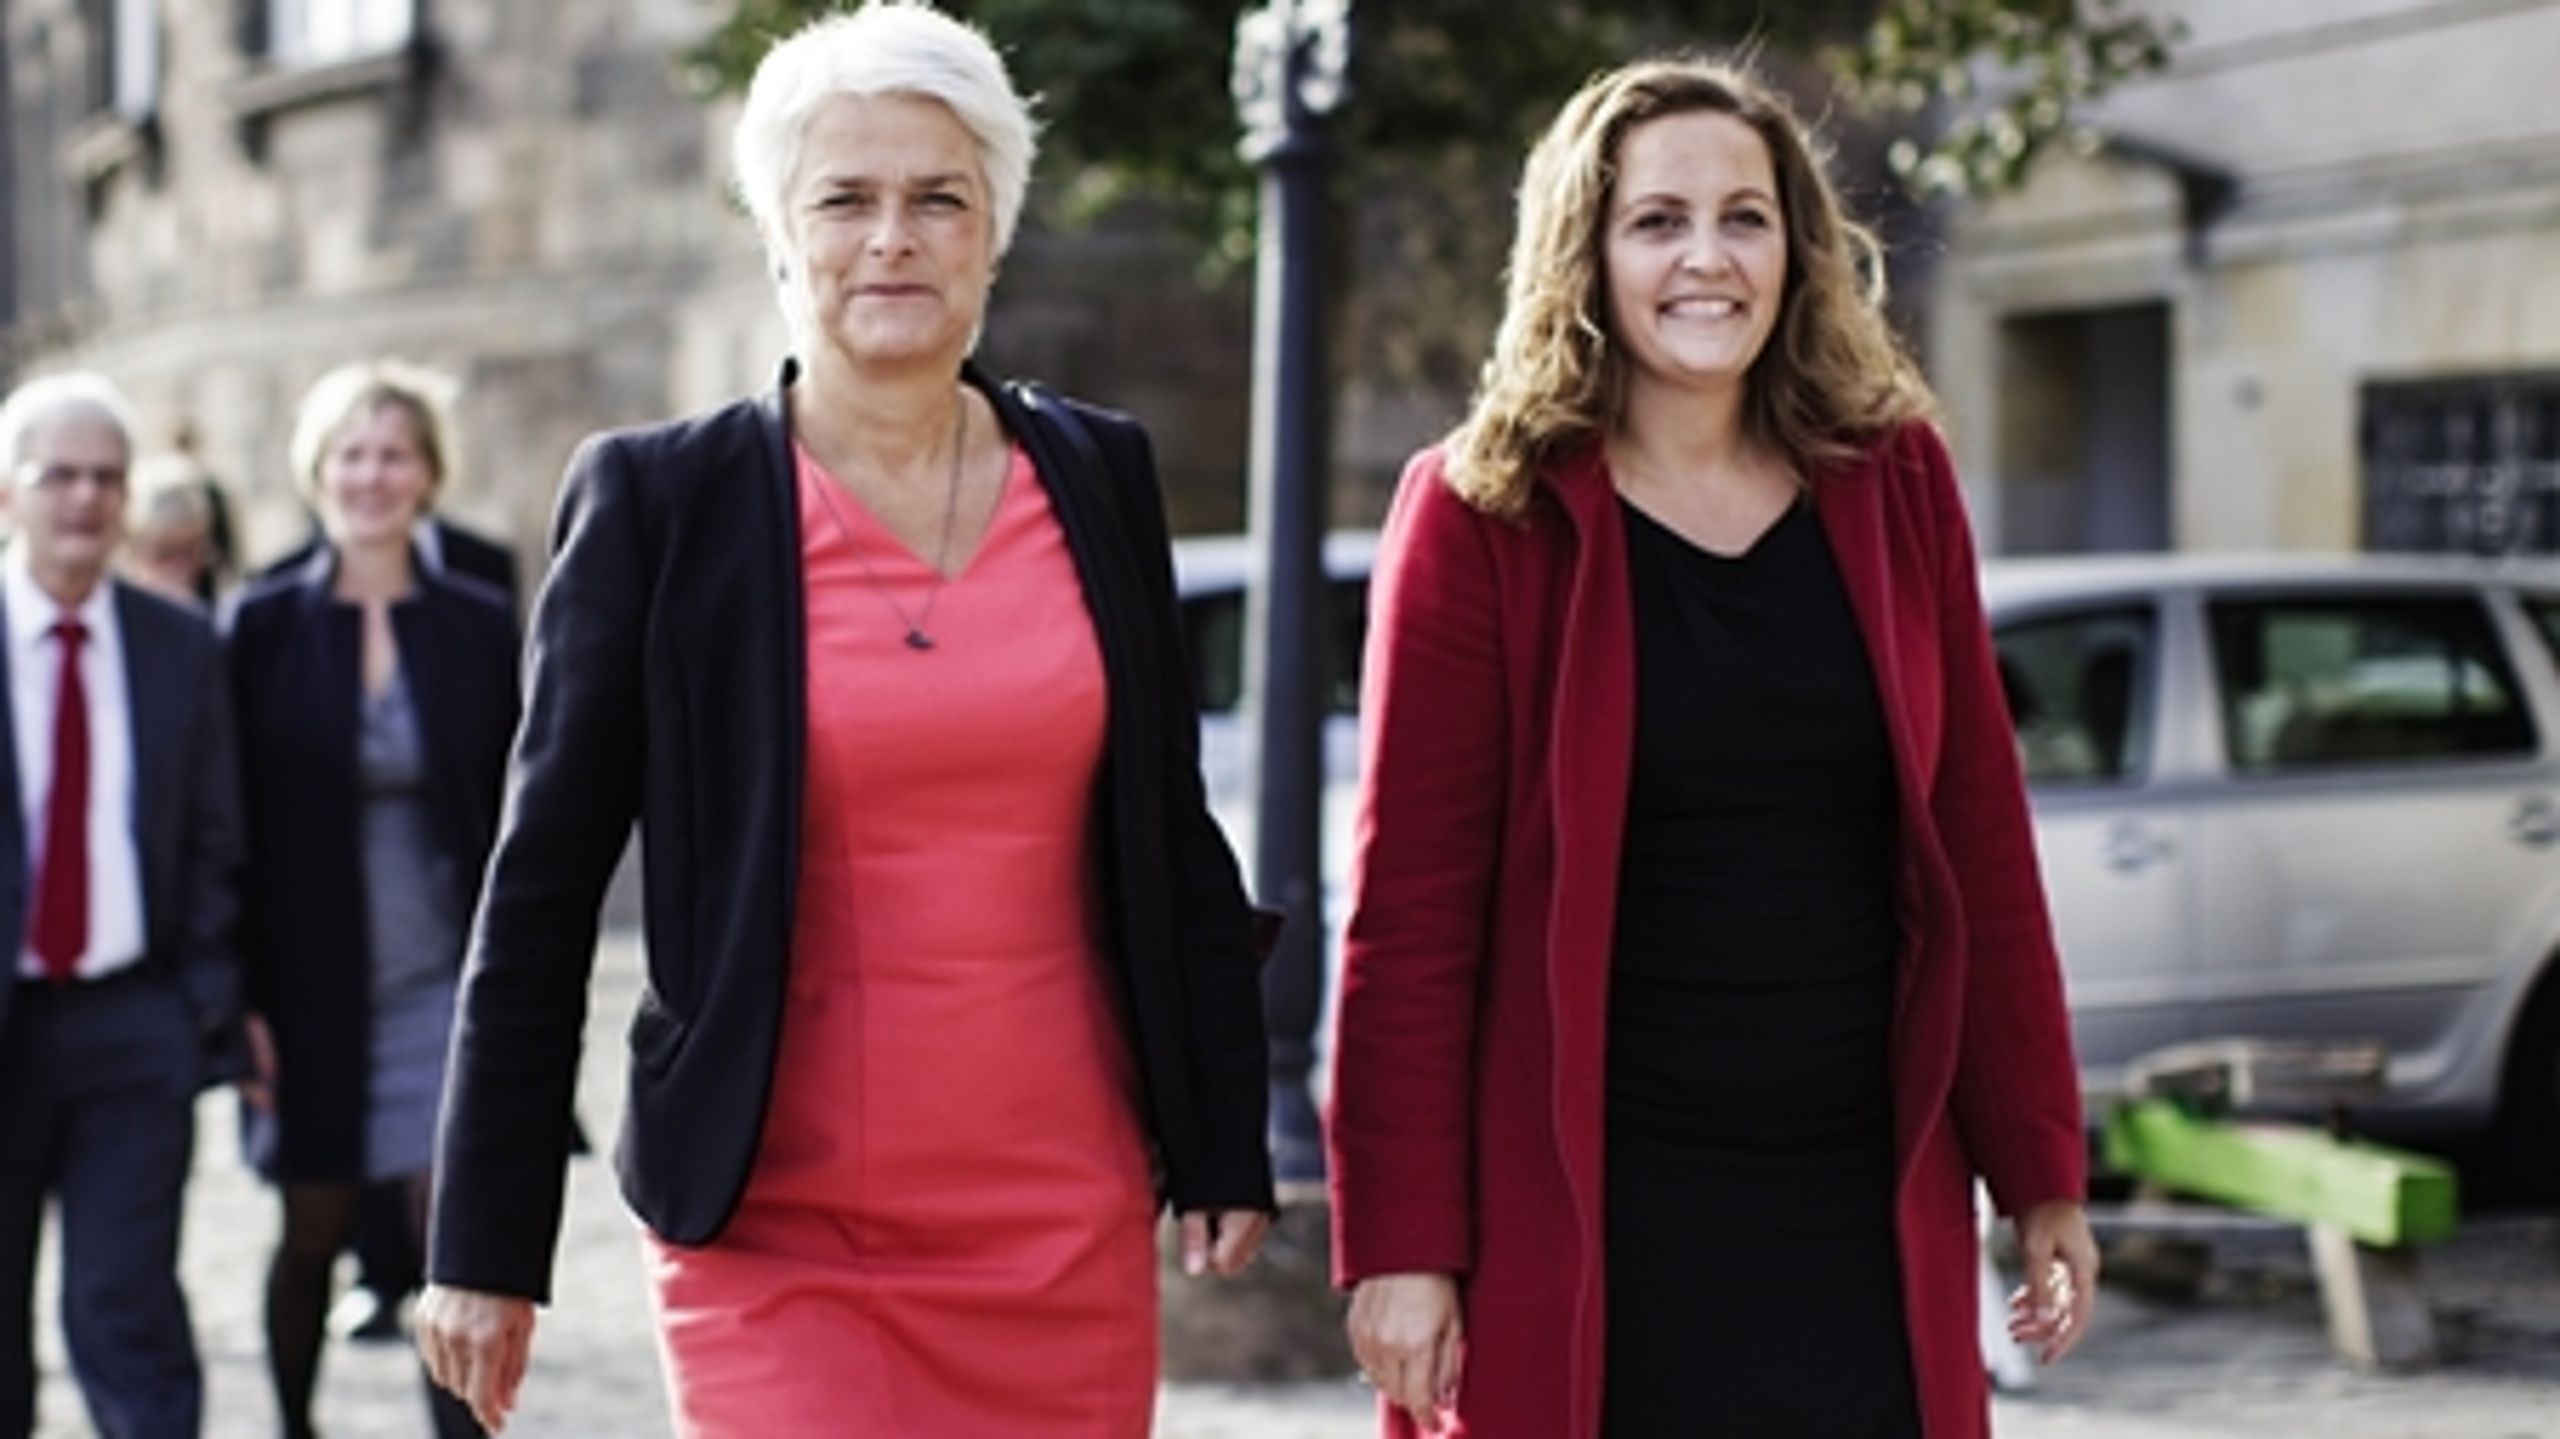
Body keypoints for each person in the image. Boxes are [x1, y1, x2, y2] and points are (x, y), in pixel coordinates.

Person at [414, 5, 1275, 1434]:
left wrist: (1222, 1132)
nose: (893, 238)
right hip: (775, 1230)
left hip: (1061, 1213)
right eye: (845, 199)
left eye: (939, 198)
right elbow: (542, 888)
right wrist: (485, 1240)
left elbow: (1170, 833)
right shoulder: (661, 503)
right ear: (776, 228)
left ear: (992, 232)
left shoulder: (1100, 474)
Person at [1326, 56, 2098, 1439]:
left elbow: (1980, 840)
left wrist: (2040, 1168)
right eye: (1656, 221)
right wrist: (1402, 1241)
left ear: (1798, 249)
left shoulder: (1895, 484)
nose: (1707, 258)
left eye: (1745, 217)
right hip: (1594, 1204)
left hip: (1859, 1196)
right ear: (1585, 252)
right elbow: (1412, 914)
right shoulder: (1480, 513)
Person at [226, 360, 519, 1439]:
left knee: (454, 1235)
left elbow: (515, 800)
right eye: (352, 453)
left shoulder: (476, 621)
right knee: (315, 1223)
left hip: (447, 979)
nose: (372, 475)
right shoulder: (261, 624)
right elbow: (229, 824)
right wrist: (241, 997)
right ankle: (295, 1422)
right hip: (310, 983)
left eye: (394, 454)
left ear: (428, 473)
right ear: (319, 471)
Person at [0, 372, 246, 1438]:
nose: (85, 498)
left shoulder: (179, 643)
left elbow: (216, 836)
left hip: (132, 1022)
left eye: (107, 477)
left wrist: (198, 999)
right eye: (59, 474)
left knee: (126, 1301)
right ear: (9, 492)